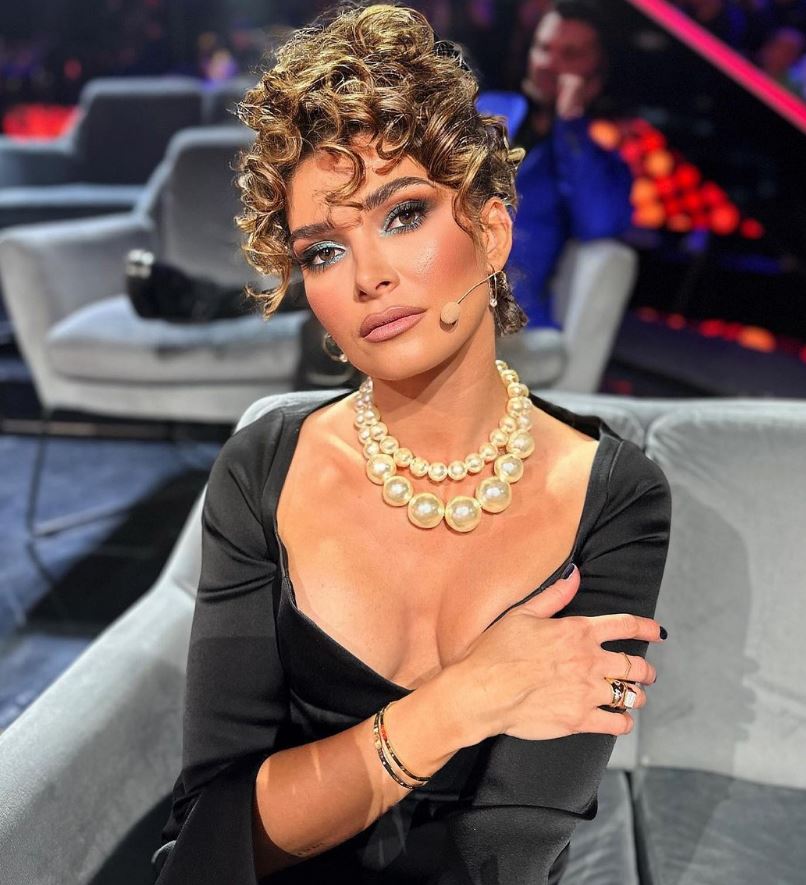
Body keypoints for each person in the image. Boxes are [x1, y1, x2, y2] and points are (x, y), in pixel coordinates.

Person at [152, 5, 672, 883]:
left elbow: (511, 844)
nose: (368, 276)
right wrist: (463, 701)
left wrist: (315, 784)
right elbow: (211, 837)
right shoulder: (263, 467)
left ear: (492, 231)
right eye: (323, 252)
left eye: (402, 215)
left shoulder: (617, 497)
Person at [477, 0, 633, 329]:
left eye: (570, 55)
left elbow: (598, 224)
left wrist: (570, 124)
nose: (549, 63)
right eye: (543, 48)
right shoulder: (486, 110)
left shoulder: (598, 161)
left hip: (504, 311)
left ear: (597, 77)